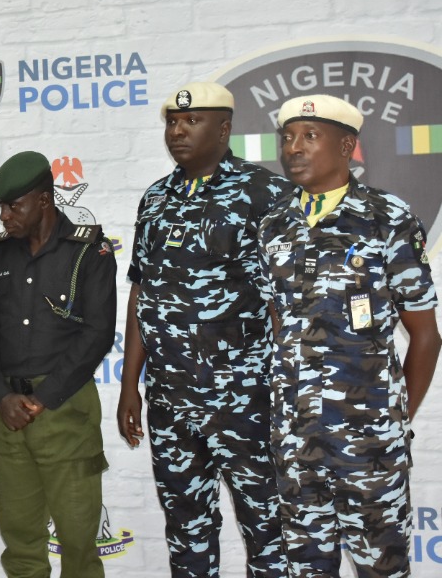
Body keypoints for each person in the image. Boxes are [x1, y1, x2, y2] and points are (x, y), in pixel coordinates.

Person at [259, 94, 441, 576]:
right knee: (305, 568)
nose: (293, 148)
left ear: (346, 146)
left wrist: (394, 419)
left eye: (310, 136)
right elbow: (279, 322)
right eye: (288, 137)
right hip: (295, 440)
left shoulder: (387, 216)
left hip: (370, 442)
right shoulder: (273, 224)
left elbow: (425, 334)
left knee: (382, 567)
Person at [116, 82, 288, 577]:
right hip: (170, 399)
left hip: (246, 399)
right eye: (173, 122)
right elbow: (142, 292)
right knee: (186, 530)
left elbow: (286, 301)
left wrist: (288, 390)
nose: (178, 131)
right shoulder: (155, 198)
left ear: (225, 128)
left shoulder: (265, 193)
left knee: (268, 530)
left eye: (192, 121)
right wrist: (130, 385)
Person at [0, 150, 116, 578]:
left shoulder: (89, 252)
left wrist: (43, 398)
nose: (4, 216)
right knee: (21, 543)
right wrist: (2, 396)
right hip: (8, 416)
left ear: (44, 201)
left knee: (78, 542)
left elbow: (97, 334)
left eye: (14, 206)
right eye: (1, 207)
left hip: (65, 411)